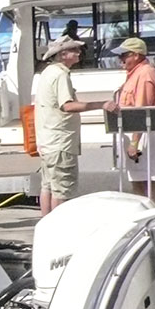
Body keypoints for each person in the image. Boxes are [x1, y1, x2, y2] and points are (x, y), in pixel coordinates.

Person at [35, 35, 118, 216]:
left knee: (48, 186)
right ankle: (58, 229)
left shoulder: (47, 72)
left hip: (48, 140)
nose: (79, 52)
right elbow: (67, 105)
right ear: (63, 54)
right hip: (61, 142)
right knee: (62, 190)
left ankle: (46, 225)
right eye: (75, 50)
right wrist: (101, 104)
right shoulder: (61, 74)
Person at [113, 37, 155, 196]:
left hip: (145, 136)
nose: (120, 59)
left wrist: (134, 143)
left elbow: (141, 111)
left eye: (124, 55)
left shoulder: (145, 74)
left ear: (136, 55)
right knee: (137, 180)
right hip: (137, 134)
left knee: (150, 182)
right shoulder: (134, 73)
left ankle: (152, 218)